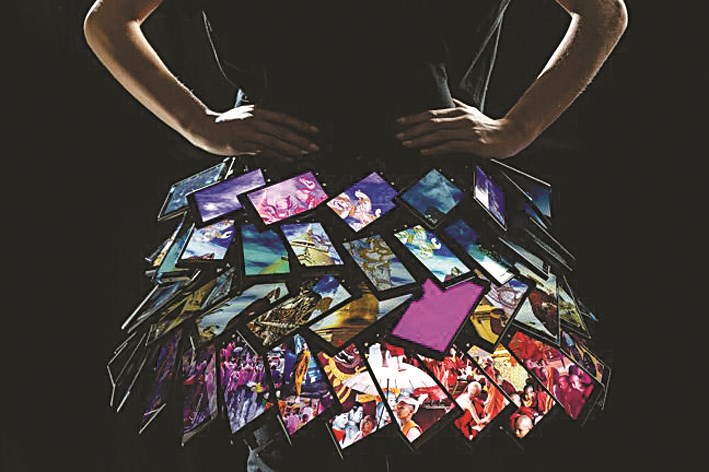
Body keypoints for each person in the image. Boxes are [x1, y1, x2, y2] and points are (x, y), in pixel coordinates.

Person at [84, 0, 627, 469]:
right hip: (287, 224)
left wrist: (516, 129)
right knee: (294, 436)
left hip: (430, 228)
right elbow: (109, 19)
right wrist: (198, 122)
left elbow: (603, 11)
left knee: (433, 429)